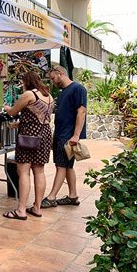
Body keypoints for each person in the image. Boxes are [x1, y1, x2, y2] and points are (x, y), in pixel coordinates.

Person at [2, 72, 54, 220]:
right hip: (44, 135)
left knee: (23, 171)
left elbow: (13, 111)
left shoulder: (29, 94)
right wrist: (20, 123)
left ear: (27, 81)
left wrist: (6, 108)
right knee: (39, 171)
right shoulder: (48, 96)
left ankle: (21, 210)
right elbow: (39, 117)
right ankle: (37, 208)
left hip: (29, 137)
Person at [41, 66, 87, 208]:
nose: (53, 81)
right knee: (67, 166)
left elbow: (82, 112)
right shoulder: (63, 92)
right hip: (61, 133)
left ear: (61, 74)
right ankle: (73, 196)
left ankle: (52, 196)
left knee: (61, 165)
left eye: (53, 78)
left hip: (68, 136)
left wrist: (76, 135)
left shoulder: (78, 89)